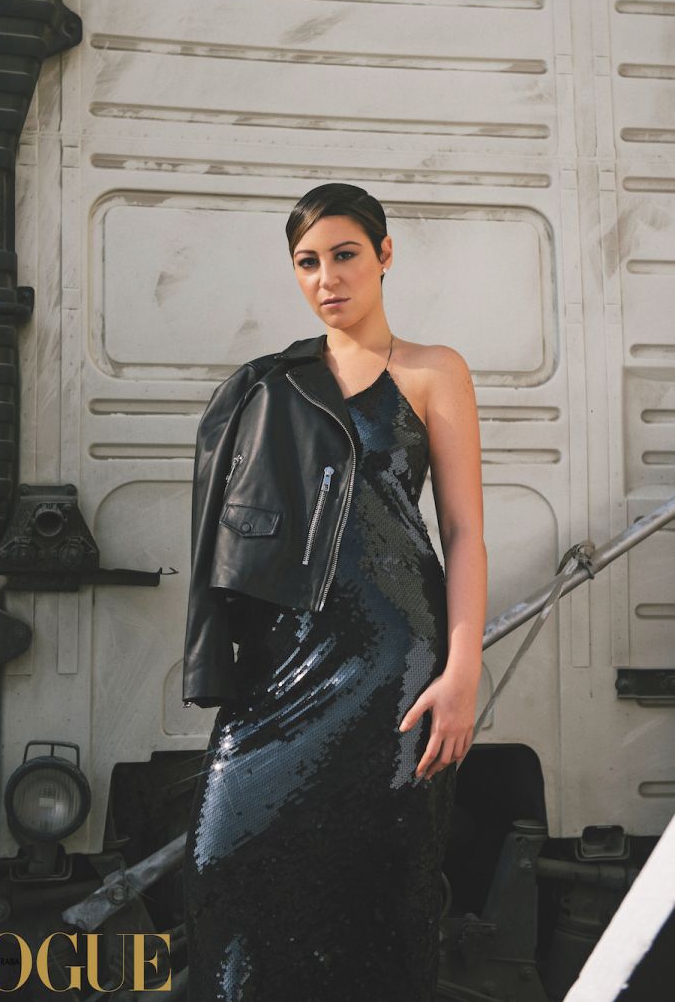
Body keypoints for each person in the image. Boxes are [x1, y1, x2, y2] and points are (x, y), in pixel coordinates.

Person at [181, 182, 487, 1001]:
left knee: (381, 888)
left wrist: (462, 671)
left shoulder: (433, 370)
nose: (327, 278)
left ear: (384, 255)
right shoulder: (270, 384)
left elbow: (462, 532)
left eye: (345, 255)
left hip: (394, 665)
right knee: (220, 864)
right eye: (308, 262)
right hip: (279, 664)